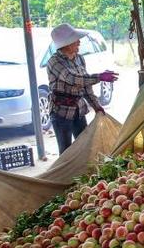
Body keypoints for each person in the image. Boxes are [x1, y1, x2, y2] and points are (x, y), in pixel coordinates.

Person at [47, 23, 118, 155]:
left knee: (85, 147)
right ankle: (67, 175)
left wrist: (96, 105)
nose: (79, 42)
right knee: (66, 152)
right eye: (75, 40)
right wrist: (100, 77)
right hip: (61, 112)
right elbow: (73, 79)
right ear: (67, 44)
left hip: (78, 110)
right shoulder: (54, 62)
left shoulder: (79, 59)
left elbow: (85, 85)